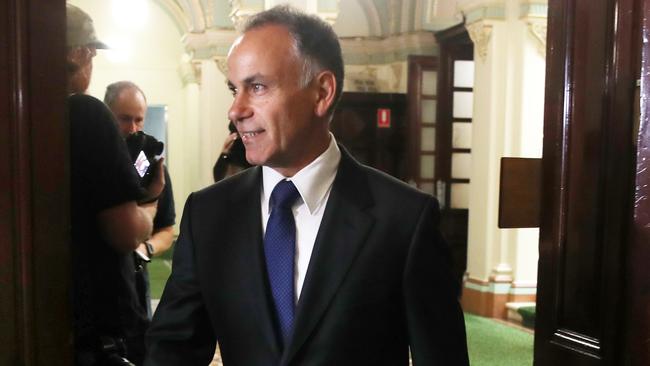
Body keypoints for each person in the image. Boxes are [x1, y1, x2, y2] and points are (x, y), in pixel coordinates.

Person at [145, 5, 468, 366]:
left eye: (257, 86)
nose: (236, 110)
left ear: (321, 92)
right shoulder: (208, 214)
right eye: (234, 89)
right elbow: (172, 351)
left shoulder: (405, 219)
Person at [67, 5, 164, 365]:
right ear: (81, 53)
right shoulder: (85, 113)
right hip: (96, 335)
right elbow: (125, 233)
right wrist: (150, 204)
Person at [104, 81, 177, 319]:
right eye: (124, 119)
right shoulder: (93, 161)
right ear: (107, 116)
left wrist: (145, 249)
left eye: (139, 120)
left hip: (135, 281)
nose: (133, 129)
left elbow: (167, 229)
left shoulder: (153, 170)